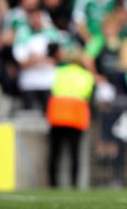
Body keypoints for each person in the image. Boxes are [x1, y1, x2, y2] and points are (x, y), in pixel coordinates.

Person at [45, 43, 95, 188]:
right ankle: (74, 184)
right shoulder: (87, 76)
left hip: (57, 115)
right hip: (76, 116)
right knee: (75, 153)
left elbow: (51, 89)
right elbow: (88, 94)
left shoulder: (59, 72)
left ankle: (53, 184)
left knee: (55, 152)